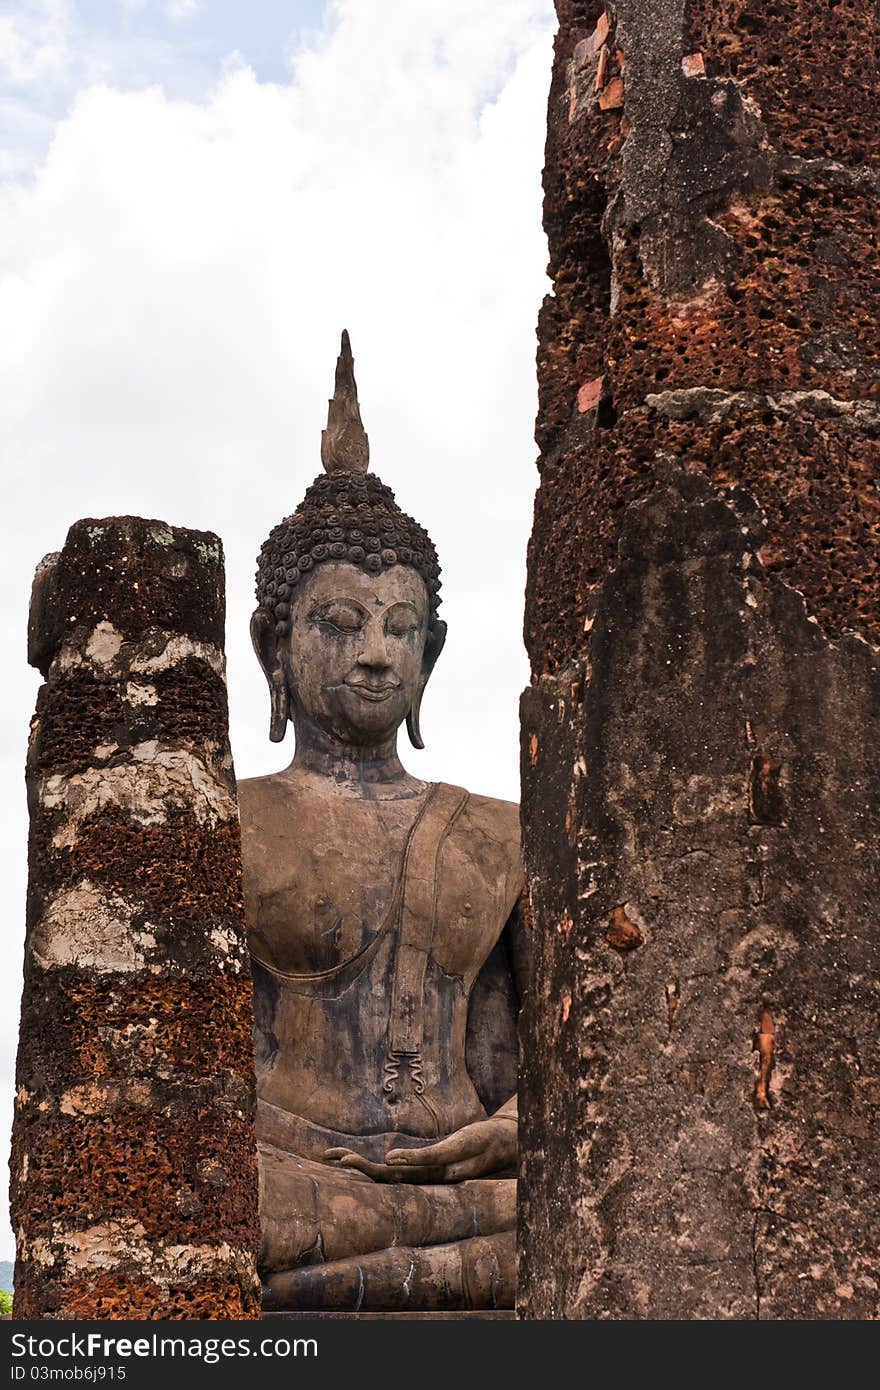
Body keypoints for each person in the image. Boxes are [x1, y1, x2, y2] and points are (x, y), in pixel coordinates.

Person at [238, 334, 526, 1311]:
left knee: (582, 1208)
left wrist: (522, 1122)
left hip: (473, 1188)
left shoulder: (504, 836)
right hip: (291, 1178)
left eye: (400, 629)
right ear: (272, 643)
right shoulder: (225, 818)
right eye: (340, 624)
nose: (374, 654)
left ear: (431, 651)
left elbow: (562, 1057)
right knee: (234, 1214)